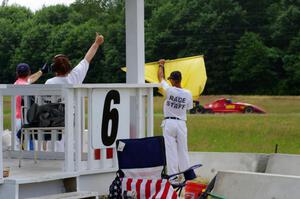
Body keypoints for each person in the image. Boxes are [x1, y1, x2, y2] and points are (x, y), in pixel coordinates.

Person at [45, 32, 104, 151]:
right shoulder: (75, 76)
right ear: (69, 67)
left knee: (56, 145)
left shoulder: (49, 82)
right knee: (73, 144)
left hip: (54, 120)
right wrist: (96, 43)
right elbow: (87, 58)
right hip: (74, 117)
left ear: (54, 69)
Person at [157, 59, 193, 176]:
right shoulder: (188, 93)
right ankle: (187, 174)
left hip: (169, 123)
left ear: (173, 80)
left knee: (171, 150)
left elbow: (160, 78)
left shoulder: (169, 90)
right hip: (181, 123)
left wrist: (161, 65)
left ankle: (173, 176)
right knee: (183, 149)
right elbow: (188, 107)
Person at [14, 62, 49, 148]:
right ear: (29, 72)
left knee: (19, 145)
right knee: (30, 147)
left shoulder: (16, 83)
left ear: (17, 73)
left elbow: (30, 79)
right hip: (26, 120)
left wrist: (41, 72)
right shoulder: (28, 87)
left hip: (17, 119)